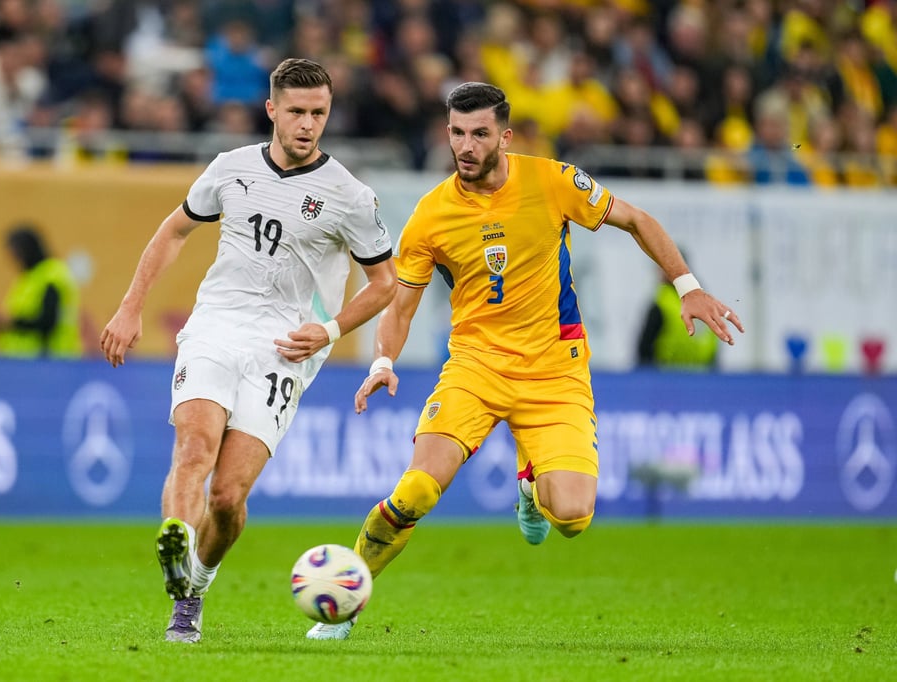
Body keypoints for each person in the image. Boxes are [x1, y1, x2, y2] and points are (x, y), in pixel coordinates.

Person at [306, 82, 744, 641]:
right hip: (475, 366)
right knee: (415, 490)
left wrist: (687, 287)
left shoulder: (553, 181)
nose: (466, 145)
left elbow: (636, 220)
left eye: (480, 134)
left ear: (505, 137)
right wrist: (382, 362)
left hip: (555, 372)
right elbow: (402, 303)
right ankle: (346, 603)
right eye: (457, 133)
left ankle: (529, 482)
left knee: (572, 517)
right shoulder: (431, 215)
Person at [99, 58, 397, 644]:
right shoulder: (229, 169)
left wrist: (331, 331)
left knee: (229, 497)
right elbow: (173, 231)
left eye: (318, 114)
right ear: (271, 110)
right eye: (296, 113)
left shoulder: (350, 197)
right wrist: (130, 305)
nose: (308, 125)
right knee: (194, 447)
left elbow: (384, 285)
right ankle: (178, 553)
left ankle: (195, 589)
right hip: (216, 323)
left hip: (286, 344)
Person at [0, 225, 82, 358]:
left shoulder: (52, 274)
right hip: (24, 361)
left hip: (49, 360)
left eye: (14, 254)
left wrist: (10, 322)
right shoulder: (27, 278)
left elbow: (48, 320)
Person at [636, 262, 719, 370]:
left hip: (668, 375)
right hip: (702, 373)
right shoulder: (705, 299)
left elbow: (644, 348)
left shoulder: (662, 302)